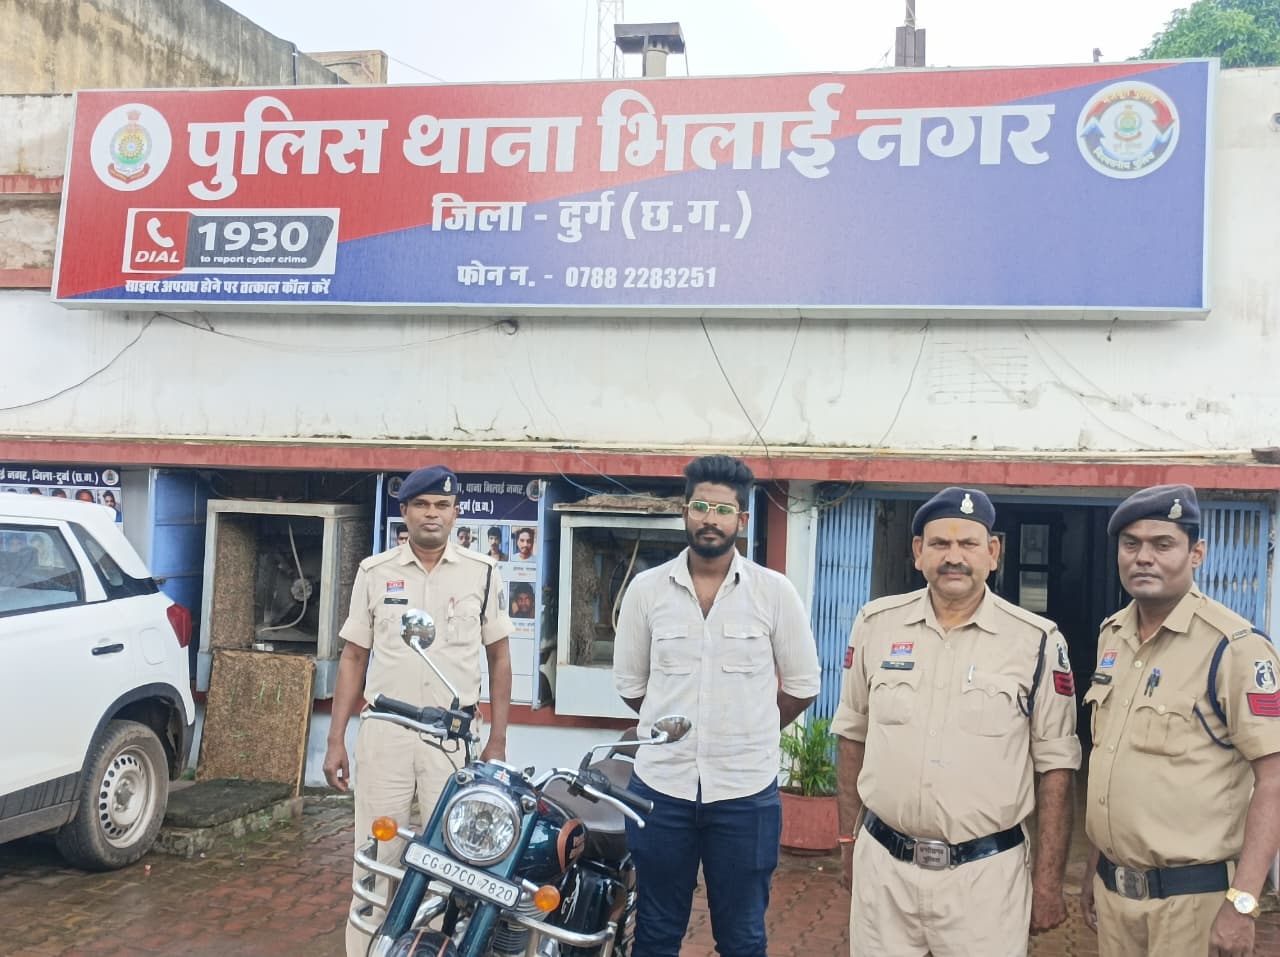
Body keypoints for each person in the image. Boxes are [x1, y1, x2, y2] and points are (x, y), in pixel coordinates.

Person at [832, 486, 1080, 956]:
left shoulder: (1036, 641)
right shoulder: (875, 625)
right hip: (884, 871)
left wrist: (1048, 883)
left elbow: (1056, 768)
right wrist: (848, 841)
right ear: (918, 551)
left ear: (993, 552)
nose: (954, 557)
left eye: (968, 544)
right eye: (940, 544)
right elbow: (852, 736)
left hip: (985, 879)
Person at [613, 454, 821, 957]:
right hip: (662, 789)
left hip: (744, 794)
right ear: (685, 512)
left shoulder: (774, 593)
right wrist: (673, 728)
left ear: (741, 520)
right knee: (655, 933)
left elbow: (802, 685)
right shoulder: (646, 590)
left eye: (723, 510)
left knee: (743, 937)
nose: (711, 518)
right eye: (701, 507)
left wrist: (750, 730)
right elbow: (632, 686)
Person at [1081, 484, 1280, 957]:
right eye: (1131, 544)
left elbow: (1274, 781)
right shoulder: (1112, 637)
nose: (1143, 558)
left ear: (1197, 553)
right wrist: (1093, 868)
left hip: (1194, 907)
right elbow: (1111, 763)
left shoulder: (1234, 648)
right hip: (1116, 897)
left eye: (1162, 544)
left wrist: (1243, 902)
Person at [324, 465, 514, 957]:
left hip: (451, 742)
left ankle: (432, 949)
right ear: (404, 512)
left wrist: (497, 740)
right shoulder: (374, 572)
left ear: (455, 514)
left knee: (450, 865)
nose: (433, 514)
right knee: (376, 858)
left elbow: (499, 657)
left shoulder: (482, 572)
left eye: (442, 505)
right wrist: (335, 738)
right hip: (387, 731)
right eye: (422, 505)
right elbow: (354, 657)